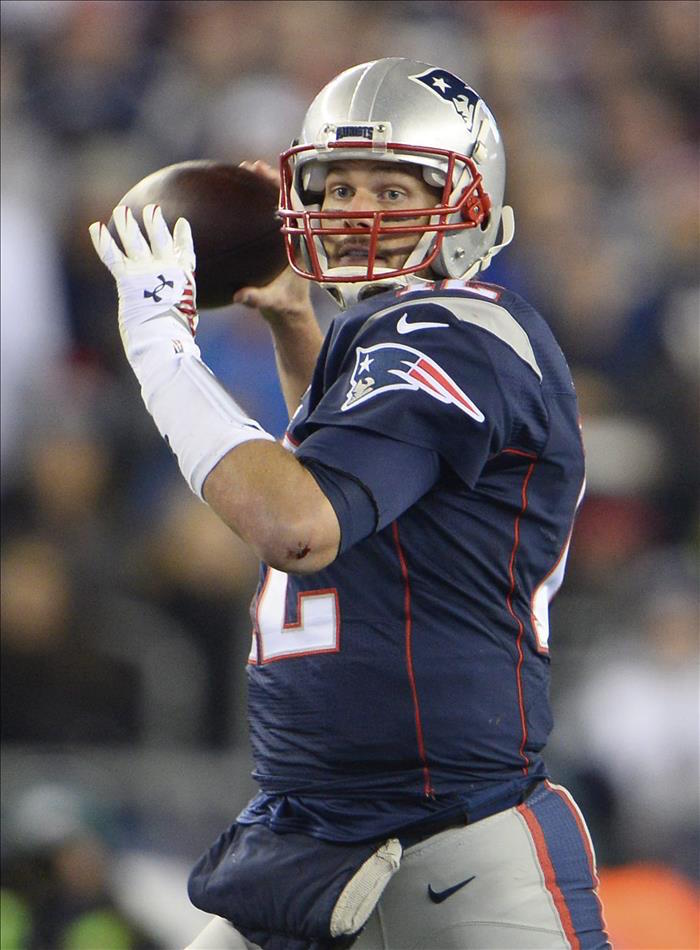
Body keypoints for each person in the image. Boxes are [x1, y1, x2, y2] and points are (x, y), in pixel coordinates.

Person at [91, 58, 610, 950]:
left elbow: (298, 524)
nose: (356, 208)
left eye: (393, 185)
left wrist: (161, 345)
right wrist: (299, 328)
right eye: (336, 186)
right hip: (307, 841)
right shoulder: (374, 347)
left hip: (455, 845)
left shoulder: (460, 329)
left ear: (469, 204)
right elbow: (351, 474)